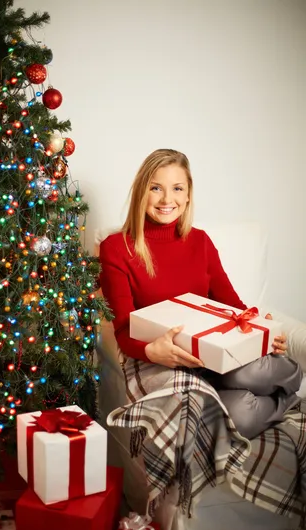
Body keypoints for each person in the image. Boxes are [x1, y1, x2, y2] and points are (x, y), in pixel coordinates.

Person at [99, 149, 302, 440]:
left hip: (219, 356)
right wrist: (150, 350)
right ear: (141, 192)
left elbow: (233, 306)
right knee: (238, 417)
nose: (167, 200)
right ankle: (286, 402)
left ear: (188, 195)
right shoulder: (116, 248)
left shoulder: (201, 241)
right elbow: (122, 327)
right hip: (173, 361)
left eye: (177, 189)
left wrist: (261, 330)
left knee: (246, 374)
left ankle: (292, 376)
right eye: (156, 188)